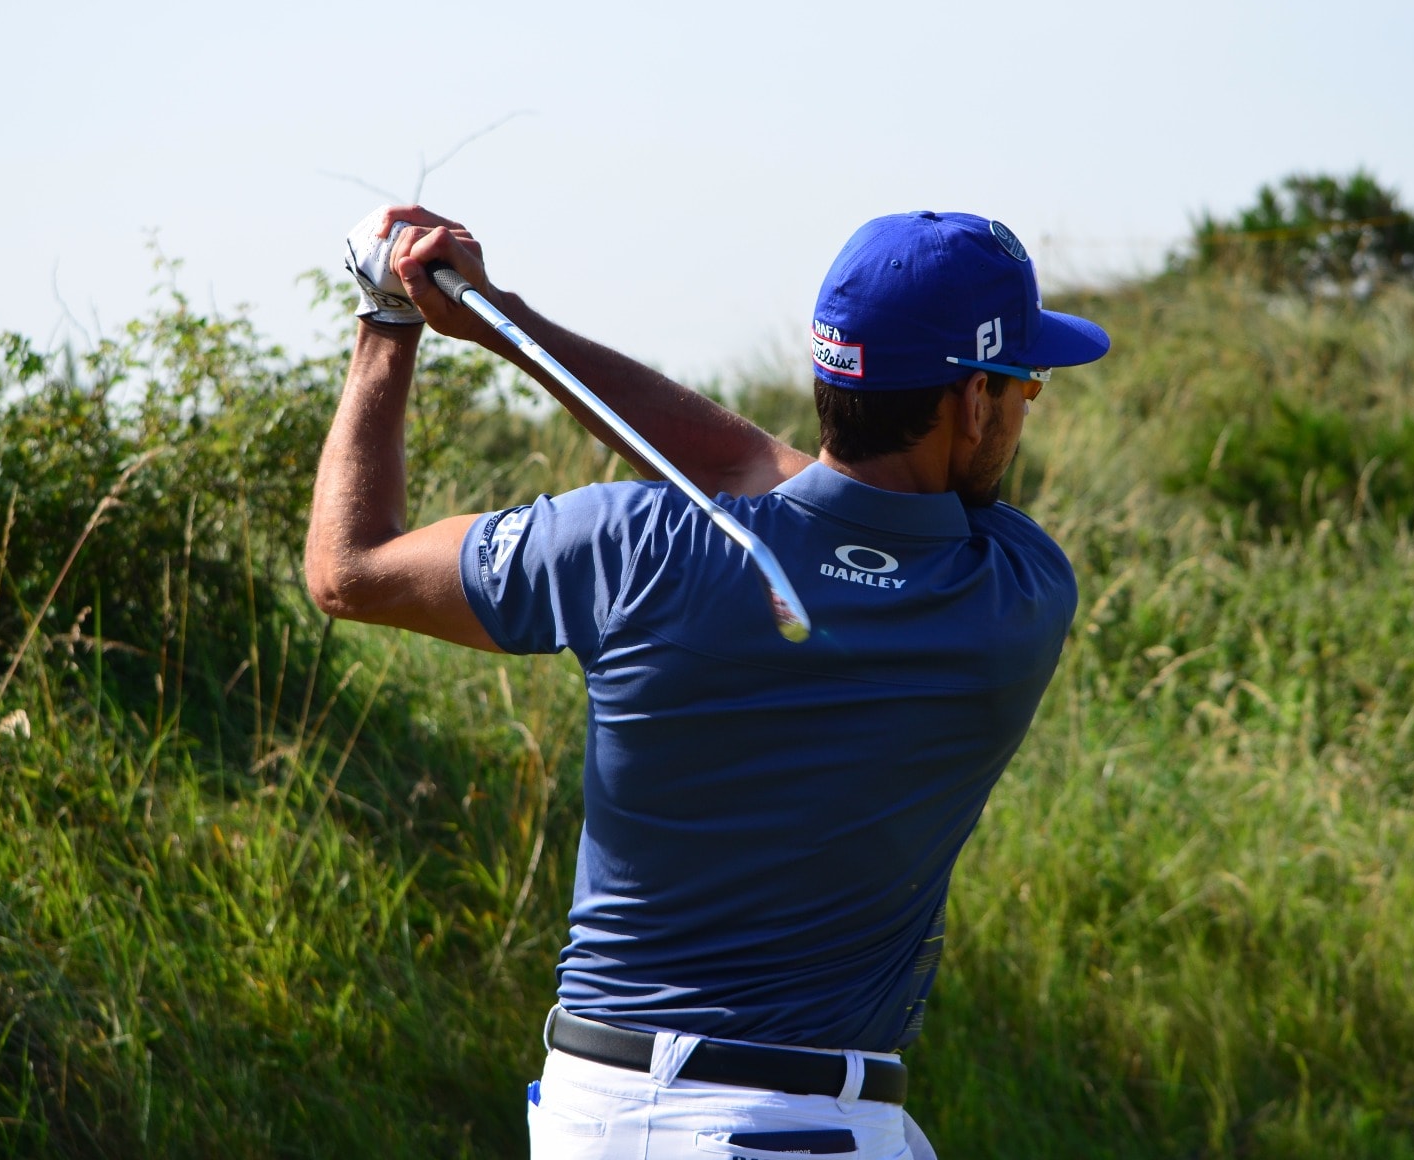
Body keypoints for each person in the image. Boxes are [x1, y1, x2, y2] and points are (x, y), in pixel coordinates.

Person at [306, 205, 1110, 1159]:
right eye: (1025, 384)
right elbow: (751, 468)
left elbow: (347, 570)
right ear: (973, 399)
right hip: (801, 1122)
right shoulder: (1015, 591)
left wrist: (394, 320)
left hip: (593, 1109)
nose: (1027, 409)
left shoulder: (632, 546)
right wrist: (500, 319)